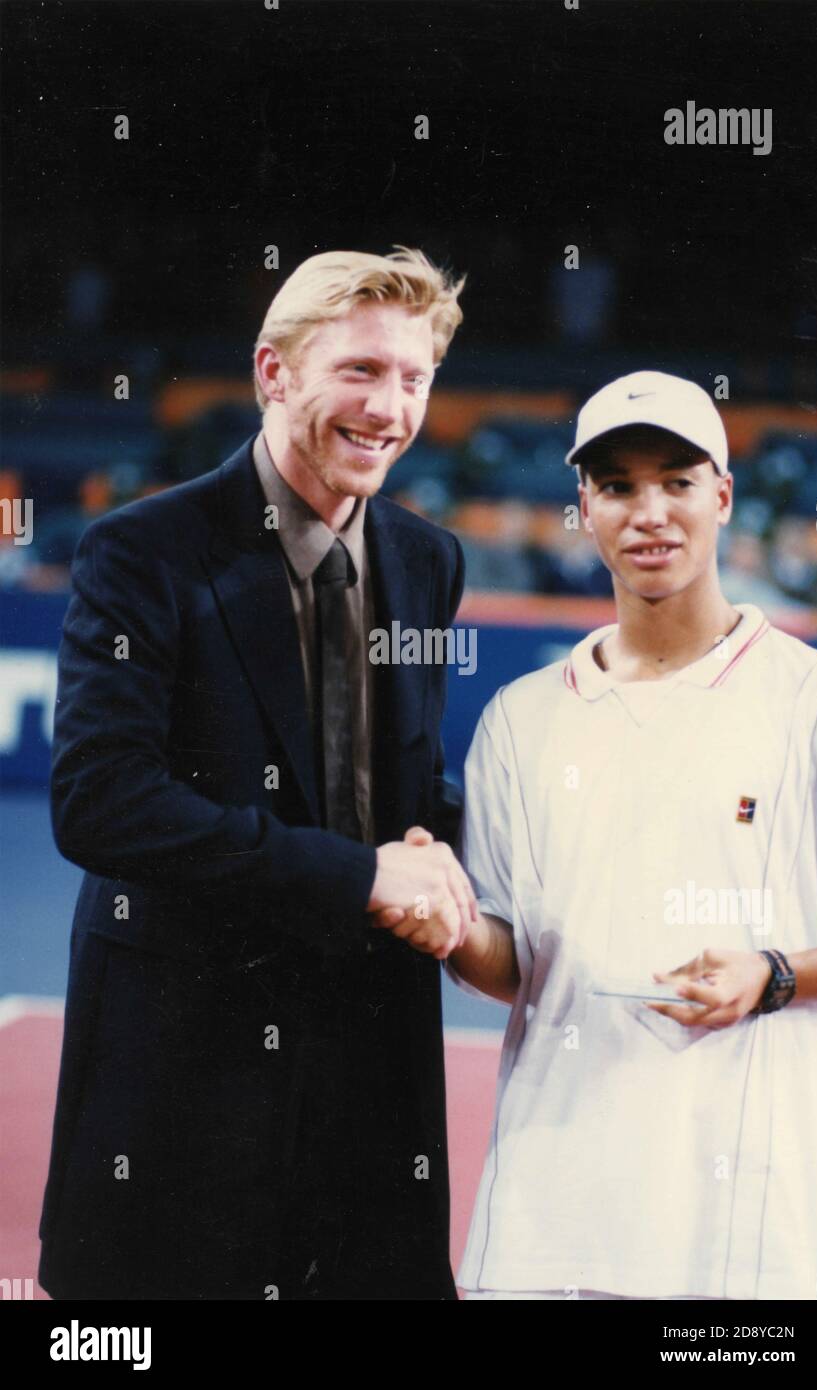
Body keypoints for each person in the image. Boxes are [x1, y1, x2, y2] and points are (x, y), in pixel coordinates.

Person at [38, 246, 476, 1302]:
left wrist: (436, 852)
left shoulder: (427, 561)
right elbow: (102, 798)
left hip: (371, 1061)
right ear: (273, 372)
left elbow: (401, 784)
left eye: (412, 378)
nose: (389, 407)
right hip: (187, 1059)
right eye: (360, 371)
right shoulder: (142, 553)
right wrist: (358, 876)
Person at [382, 371, 817, 1300]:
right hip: (557, 1217)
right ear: (583, 508)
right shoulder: (521, 719)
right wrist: (443, 921)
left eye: (677, 481)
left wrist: (773, 974)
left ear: (721, 495)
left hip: (755, 1228)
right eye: (620, 485)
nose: (650, 512)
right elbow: (512, 961)